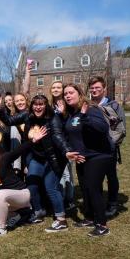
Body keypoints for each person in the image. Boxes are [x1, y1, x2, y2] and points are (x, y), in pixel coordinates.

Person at [0, 95, 70, 231]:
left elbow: (58, 136)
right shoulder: (27, 115)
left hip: (53, 159)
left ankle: (61, 219)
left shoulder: (53, 118)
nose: (38, 107)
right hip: (37, 157)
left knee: (50, 186)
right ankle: (39, 211)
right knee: (31, 184)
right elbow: (9, 120)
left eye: (41, 104)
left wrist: (67, 151)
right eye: (35, 104)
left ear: (46, 106)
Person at [62, 83, 114, 237]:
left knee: (93, 189)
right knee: (85, 188)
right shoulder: (72, 113)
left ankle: (102, 224)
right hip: (81, 157)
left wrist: (85, 117)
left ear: (79, 93)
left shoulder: (90, 109)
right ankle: (90, 217)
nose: (67, 96)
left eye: (71, 92)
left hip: (97, 156)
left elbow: (103, 128)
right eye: (65, 94)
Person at [0, 127, 47, 237]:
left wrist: (33, 140)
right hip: (8, 198)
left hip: (23, 194)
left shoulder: (3, 158)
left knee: (1, 194)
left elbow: (18, 150)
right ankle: (15, 215)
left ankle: (1, 228)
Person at [88, 76, 126, 217]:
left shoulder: (114, 105)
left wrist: (110, 144)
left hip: (109, 148)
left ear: (104, 88)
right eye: (92, 88)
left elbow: (121, 129)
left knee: (111, 177)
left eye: (97, 87)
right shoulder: (88, 105)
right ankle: (97, 202)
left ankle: (112, 203)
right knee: (95, 177)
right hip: (92, 149)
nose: (94, 90)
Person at [50, 80, 76, 211]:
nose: (55, 89)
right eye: (53, 87)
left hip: (65, 144)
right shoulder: (50, 105)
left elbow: (70, 123)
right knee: (58, 173)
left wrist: (63, 113)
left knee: (67, 174)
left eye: (58, 87)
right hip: (54, 144)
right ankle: (61, 197)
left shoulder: (67, 104)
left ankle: (70, 200)